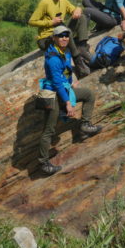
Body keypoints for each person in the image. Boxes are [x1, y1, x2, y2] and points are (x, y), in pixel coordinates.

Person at [37, 25, 101, 175]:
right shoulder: (53, 58)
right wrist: (67, 103)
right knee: (49, 130)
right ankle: (43, 163)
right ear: (54, 38)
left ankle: (85, 125)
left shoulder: (64, 52)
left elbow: (65, 72)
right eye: (61, 36)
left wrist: (71, 83)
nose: (64, 38)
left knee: (88, 94)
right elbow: (57, 83)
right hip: (53, 95)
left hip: (64, 90)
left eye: (66, 35)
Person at [28, 0, 91, 75]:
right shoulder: (45, 3)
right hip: (46, 38)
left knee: (82, 17)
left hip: (61, 32)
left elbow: (75, 10)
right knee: (66, 31)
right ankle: (78, 61)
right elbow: (31, 21)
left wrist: (78, 9)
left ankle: (82, 47)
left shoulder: (63, 0)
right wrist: (51, 22)